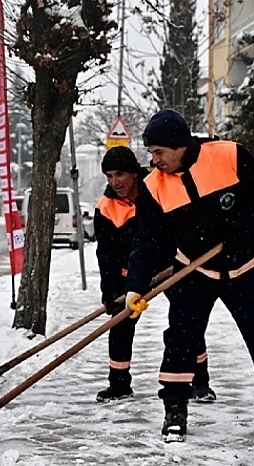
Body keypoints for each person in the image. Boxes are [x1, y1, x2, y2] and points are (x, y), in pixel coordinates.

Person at [124, 109, 254, 443]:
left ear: (179, 145)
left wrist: (240, 226)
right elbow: (148, 241)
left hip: (246, 267)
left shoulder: (228, 155)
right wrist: (136, 286)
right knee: (181, 339)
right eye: (151, 153)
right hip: (194, 268)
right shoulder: (152, 187)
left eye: (158, 152)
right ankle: (174, 410)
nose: (154, 160)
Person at [94, 146, 217, 404]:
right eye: (109, 176)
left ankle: (200, 382)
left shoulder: (157, 188)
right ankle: (119, 384)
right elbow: (106, 254)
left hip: (173, 266)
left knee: (187, 321)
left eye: (119, 175)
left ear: (134, 173)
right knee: (120, 325)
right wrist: (111, 291)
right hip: (133, 275)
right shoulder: (106, 208)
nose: (114, 182)